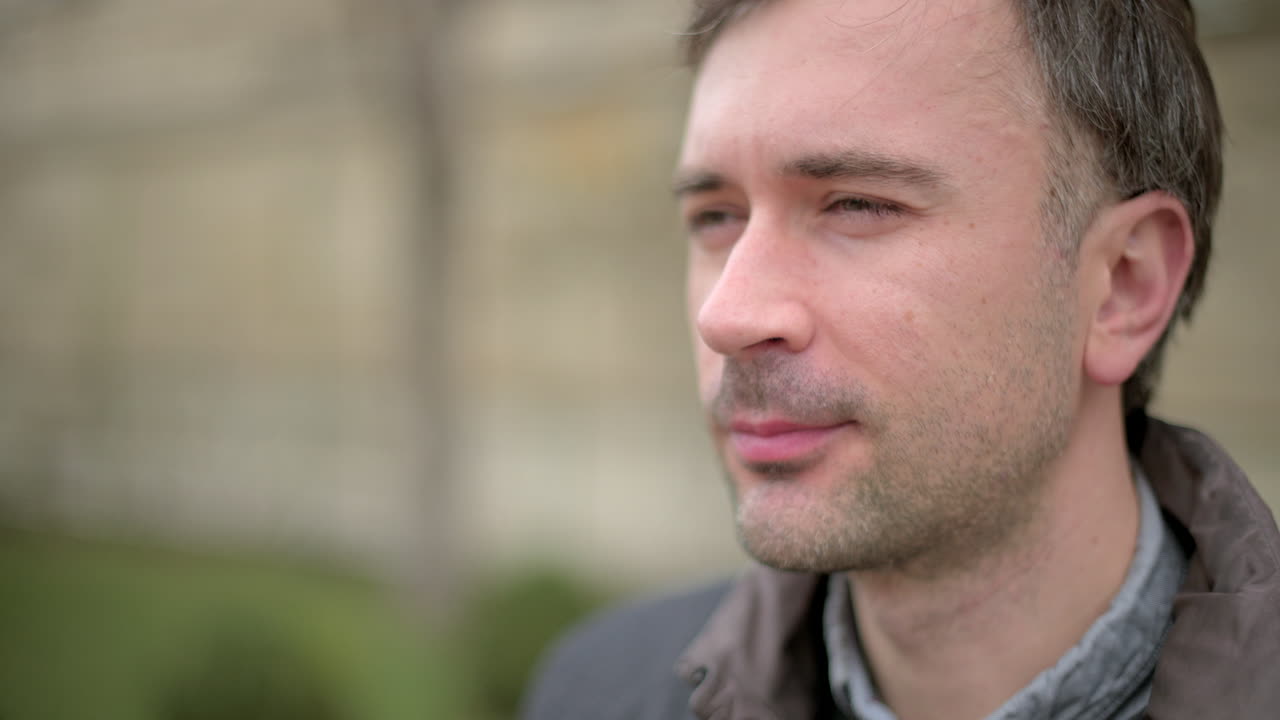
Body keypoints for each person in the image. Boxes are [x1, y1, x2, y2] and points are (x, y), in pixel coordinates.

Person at [521, 0, 1280, 718]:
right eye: (716, 216)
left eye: (856, 204)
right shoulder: (599, 689)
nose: (728, 314)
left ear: (1123, 283)